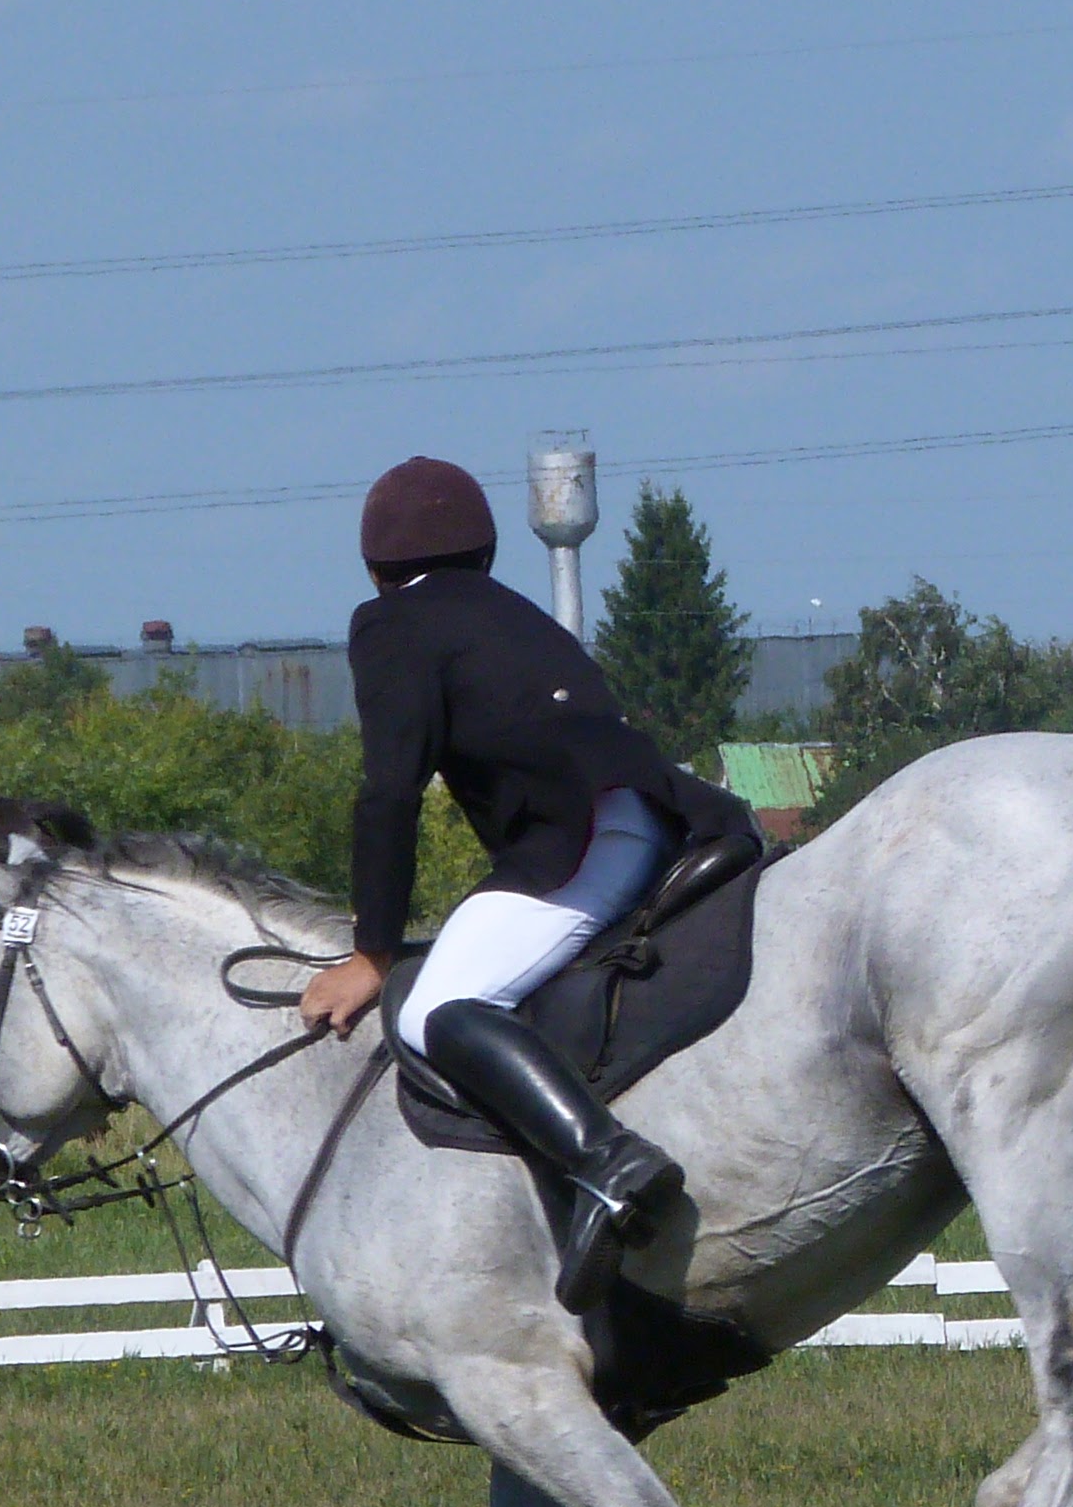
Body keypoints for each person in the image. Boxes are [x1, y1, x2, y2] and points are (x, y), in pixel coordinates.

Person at [297, 457, 755, 1311]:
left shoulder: (390, 622)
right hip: (655, 814)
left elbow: (390, 792)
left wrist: (372, 953)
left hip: (581, 838)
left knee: (438, 1010)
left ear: (374, 568)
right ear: (488, 551)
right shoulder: (510, 610)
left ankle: (607, 1164)